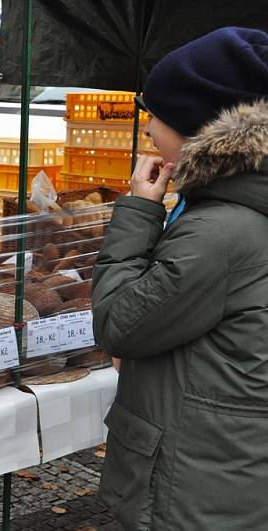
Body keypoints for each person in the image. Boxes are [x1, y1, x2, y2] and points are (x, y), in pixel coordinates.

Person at [91, 27, 268, 530]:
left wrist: (138, 212)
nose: (148, 128)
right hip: (231, 471)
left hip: (195, 488)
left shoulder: (221, 233)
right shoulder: (239, 210)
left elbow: (119, 324)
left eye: (158, 113)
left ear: (201, 127)